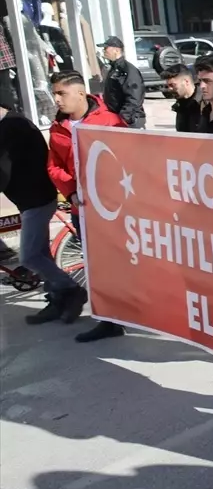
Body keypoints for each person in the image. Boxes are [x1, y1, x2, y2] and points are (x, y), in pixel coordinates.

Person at [45, 71, 128, 342]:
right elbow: (54, 166)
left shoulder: (109, 121)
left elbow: (127, 159)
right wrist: (71, 192)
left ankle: (130, 313)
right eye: (54, 93)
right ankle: (108, 320)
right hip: (82, 210)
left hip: (112, 209)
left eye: (61, 93)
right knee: (95, 267)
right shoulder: (58, 126)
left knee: (119, 265)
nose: (56, 99)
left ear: (81, 93)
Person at [0, 101, 88, 324]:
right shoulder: (11, 122)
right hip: (30, 198)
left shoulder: (12, 126)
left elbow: (3, 170)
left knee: (29, 256)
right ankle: (57, 299)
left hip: (37, 199)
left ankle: (71, 289)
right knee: (41, 254)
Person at [98, 36, 145, 128]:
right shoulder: (113, 68)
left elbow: (134, 97)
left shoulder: (127, 69)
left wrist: (123, 117)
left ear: (116, 50)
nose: (104, 51)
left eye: (106, 48)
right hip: (116, 119)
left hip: (130, 120)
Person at [162, 64, 205, 133]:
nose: (170, 89)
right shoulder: (180, 104)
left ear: (186, 82)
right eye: (168, 86)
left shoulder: (206, 102)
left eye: (172, 85)